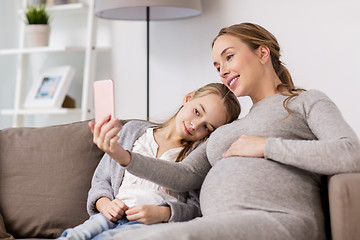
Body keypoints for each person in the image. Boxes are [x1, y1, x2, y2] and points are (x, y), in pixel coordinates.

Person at [93, 22, 360, 240]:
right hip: (218, 224)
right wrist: (123, 156)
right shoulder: (228, 129)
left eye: (228, 57)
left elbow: (350, 153)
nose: (223, 71)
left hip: (275, 220)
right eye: (218, 66)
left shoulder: (304, 101)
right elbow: (184, 175)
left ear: (262, 53)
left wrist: (265, 146)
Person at [57, 83, 241, 240]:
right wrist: (105, 204)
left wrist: (164, 213)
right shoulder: (132, 131)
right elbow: (101, 180)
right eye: (197, 112)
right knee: (75, 236)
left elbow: (196, 207)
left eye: (207, 127)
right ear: (188, 98)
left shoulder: (197, 157)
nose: (195, 125)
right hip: (111, 215)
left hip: (148, 225)